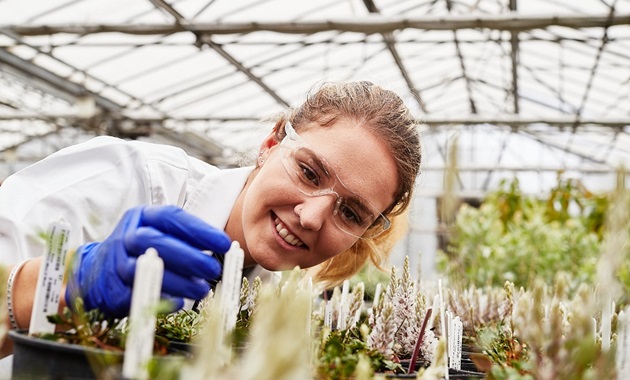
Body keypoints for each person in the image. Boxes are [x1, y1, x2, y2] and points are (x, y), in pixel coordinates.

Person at [0, 80, 422, 354]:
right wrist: (71, 282)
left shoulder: (268, 298)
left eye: (350, 212)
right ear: (271, 144)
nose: (312, 217)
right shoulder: (126, 176)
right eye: (309, 172)